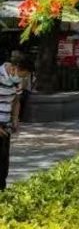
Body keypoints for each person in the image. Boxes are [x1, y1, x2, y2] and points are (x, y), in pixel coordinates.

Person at [0, 53, 30, 190]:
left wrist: (15, 120)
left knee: (3, 161)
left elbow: (17, 101)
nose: (23, 79)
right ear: (14, 68)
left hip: (5, 125)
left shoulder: (18, 81)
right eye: (22, 74)